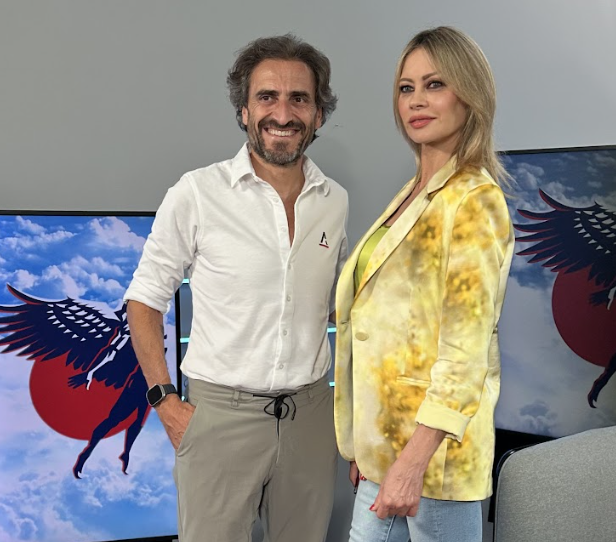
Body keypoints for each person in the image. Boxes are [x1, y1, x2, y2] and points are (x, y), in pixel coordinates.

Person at [124, 34, 348, 542]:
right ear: (244, 110)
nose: (282, 113)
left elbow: (330, 304)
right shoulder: (197, 193)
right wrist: (164, 400)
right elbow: (144, 300)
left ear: (318, 114)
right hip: (219, 419)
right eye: (267, 97)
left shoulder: (334, 201)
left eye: (299, 99)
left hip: (311, 417)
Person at [333, 26, 515, 542]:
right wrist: (367, 443)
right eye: (405, 88)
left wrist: (412, 463)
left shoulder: (473, 200)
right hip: (385, 450)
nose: (416, 100)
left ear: (469, 95)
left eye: (434, 84)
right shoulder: (414, 192)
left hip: (434, 461)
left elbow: (465, 353)